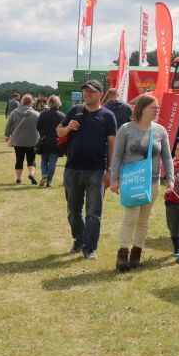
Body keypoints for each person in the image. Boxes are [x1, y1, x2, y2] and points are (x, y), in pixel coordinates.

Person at [110, 94, 174, 272]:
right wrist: (114, 179)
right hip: (131, 181)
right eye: (154, 107)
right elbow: (117, 156)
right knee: (130, 218)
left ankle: (136, 253)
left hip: (152, 183)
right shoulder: (126, 129)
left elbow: (167, 158)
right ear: (143, 108)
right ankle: (122, 254)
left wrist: (171, 179)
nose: (157, 110)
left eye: (158, 107)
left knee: (143, 220)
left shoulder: (160, 131)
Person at [56, 80, 117, 260]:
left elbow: (112, 144)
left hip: (96, 171)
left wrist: (110, 170)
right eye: (85, 91)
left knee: (93, 212)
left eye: (91, 91)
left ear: (100, 94)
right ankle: (79, 239)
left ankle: (89, 247)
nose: (87, 94)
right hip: (72, 169)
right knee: (73, 210)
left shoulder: (107, 116)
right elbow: (58, 131)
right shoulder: (75, 111)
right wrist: (68, 127)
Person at [4, 94, 40, 185]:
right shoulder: (36, 114)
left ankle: (19, 179)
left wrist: (7, 135)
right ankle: (31, 173)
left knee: (19, 160)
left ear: (22, 101)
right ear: (31, 102)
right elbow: (40, 127)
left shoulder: (14, 113)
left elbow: (8, 126)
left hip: (18, 141)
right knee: (31, 160)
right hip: (32, 140)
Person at [36, 95, 65, 188]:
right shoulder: (62, 115)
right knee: (52, 162)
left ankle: (44, 175)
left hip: (44, 141)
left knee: (44, 160)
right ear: (58, 103)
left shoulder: (43, 114)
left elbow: (38, 127)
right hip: (56, 142)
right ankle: (48, 181)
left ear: (48, 103)